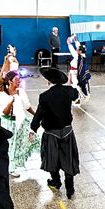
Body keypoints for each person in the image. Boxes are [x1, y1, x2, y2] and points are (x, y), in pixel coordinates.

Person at [31, 67, 81, 199]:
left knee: (51, 158)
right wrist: (72, 85)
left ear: (49, 81)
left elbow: (39, 114)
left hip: (51, 133)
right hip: (67, 131)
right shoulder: (69, 91)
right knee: (68, 158)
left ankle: (56, 182)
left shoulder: (44, 96)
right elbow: (76, 95)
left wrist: (33, 128)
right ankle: (70, 188)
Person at [68, 35, 91, 100]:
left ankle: (80, 97)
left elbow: (72, 51)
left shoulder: (78, 56)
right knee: (74, 84)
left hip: (75, 72)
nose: (76, 50)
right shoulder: (82, 55)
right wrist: (76, 41)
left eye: (77, 50)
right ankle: (80, 96)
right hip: (74, 71)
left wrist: (69, 44)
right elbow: (79, 47)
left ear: (80, 51)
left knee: (75, 85)